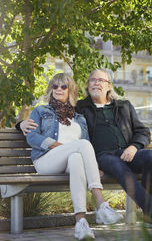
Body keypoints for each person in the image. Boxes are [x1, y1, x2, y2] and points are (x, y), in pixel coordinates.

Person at [20, 69, 152, 225]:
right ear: (87, 86)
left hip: (126, 153)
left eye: (101, 80)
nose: (96, 83)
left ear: (109, 86)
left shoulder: (123, 106)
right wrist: (21, 124)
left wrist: (134, 146)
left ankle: (149, 213)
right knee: (115, 163)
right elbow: (50, 117)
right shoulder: (80, 108)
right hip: (103, 157)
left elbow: (142, 131)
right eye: (93, 80)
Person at [24, 73, 123, 240]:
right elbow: (31, 137)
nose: (58, 89)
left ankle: (81, 223)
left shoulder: (79, 118)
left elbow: (85, 146)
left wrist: (93, 166)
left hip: (70, 161)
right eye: (55, 86)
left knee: (77, 157)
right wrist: (55, 145)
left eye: (63, 86)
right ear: (50, 90)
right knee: (81, 146)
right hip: (46, 160)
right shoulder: (40, 111)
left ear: (71, 90)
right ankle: (100, 202)